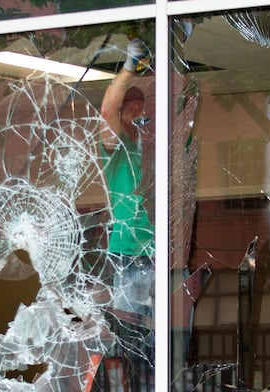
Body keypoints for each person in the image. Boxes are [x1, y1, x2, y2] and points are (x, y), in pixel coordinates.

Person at [99, 38, 155, 326]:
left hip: (154, 247)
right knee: (128, 326)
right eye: (131, 106)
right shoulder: (113, 143)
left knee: (153, 329)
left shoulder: (144, 143)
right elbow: (107, 109)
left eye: (140, 107)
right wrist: (129, 68)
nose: (137, 112)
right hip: (126, 250)